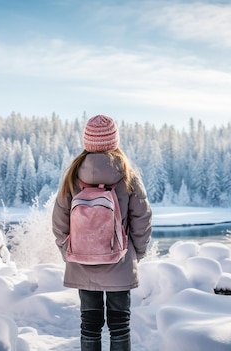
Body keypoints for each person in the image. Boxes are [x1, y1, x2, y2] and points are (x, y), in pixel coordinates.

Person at [52, 114, 152, 351]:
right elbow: (142, 218)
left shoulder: (73, 175)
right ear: (114, 141)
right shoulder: (127, 175)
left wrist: (69, 251)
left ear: (87, 141)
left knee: (89, 324)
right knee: (120, 326)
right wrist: (137, 252)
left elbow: (58, 222)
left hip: (82, 261)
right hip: (120, 259)